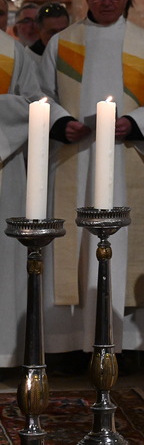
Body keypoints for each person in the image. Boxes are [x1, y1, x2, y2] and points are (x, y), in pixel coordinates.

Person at [39, 0, 144, 354]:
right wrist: (60, 123)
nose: (107, 1)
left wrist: (134, 123)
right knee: (73, 246)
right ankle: (68, 343)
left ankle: (127, 343)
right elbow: (40, 96)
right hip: (75, 161)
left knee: (126, 245)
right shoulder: (63, 44)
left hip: (125, 161)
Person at [0, 30, 48, 367]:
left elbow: (35, 104)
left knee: (5, 261)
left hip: (7, 170)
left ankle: (3, 350)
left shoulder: (11, 51)